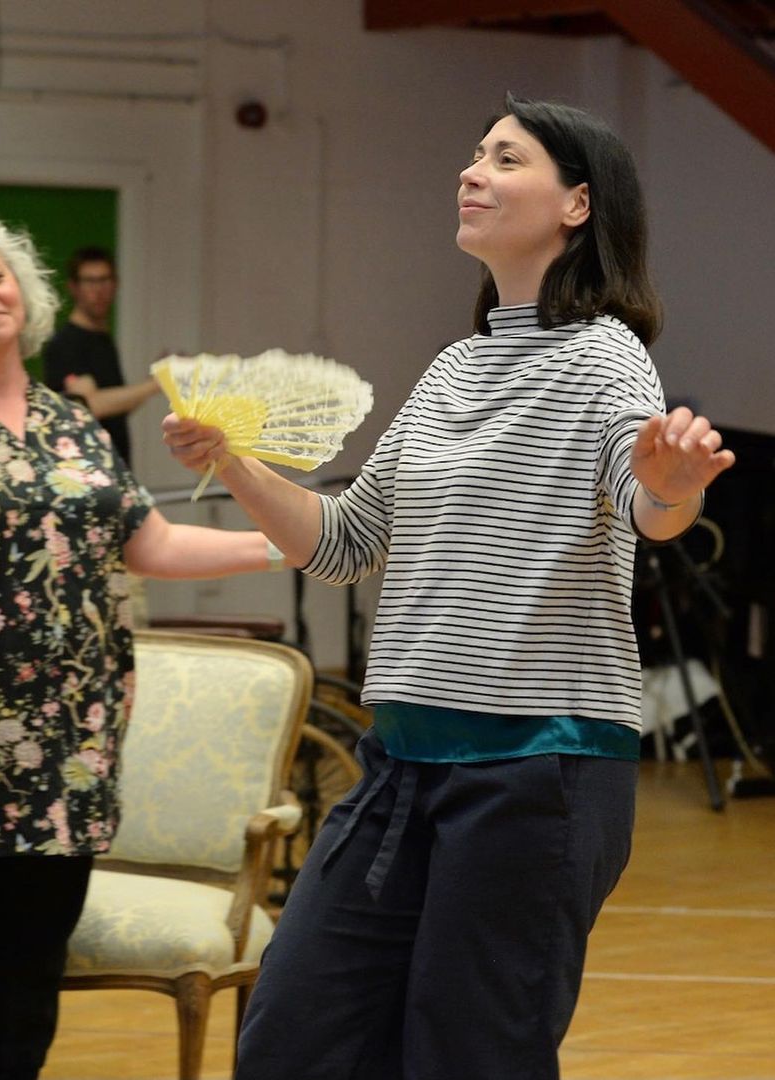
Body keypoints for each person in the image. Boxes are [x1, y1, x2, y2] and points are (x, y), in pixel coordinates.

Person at [162, 94, 735, 1080]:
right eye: (474, 155)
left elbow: (644, 504)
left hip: (537, 775)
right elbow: (344, 541)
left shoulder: (606, 358)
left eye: (505, 160)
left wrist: (674, 487)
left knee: (471, 1057)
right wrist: (238, 466)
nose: (472, 173)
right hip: (402, 763)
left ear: (576, 204)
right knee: (295, 1039)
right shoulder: (453, 368)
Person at [0, 204, 285, 1080]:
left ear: (24, 290)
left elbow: (148, 544)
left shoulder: (75, 425)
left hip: (68, 743)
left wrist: (293, 542)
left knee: (28, 962)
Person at [41, 246, 160, 466]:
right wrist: (154, 384)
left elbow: (114, 409)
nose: (99, 290)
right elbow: (90, 405)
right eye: (90, 281)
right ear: (73, 287)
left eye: (105, 280)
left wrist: (154, 379)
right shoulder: (65, 343)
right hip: (85, 471)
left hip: (115, 468)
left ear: (115, 284)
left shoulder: (103, 339)